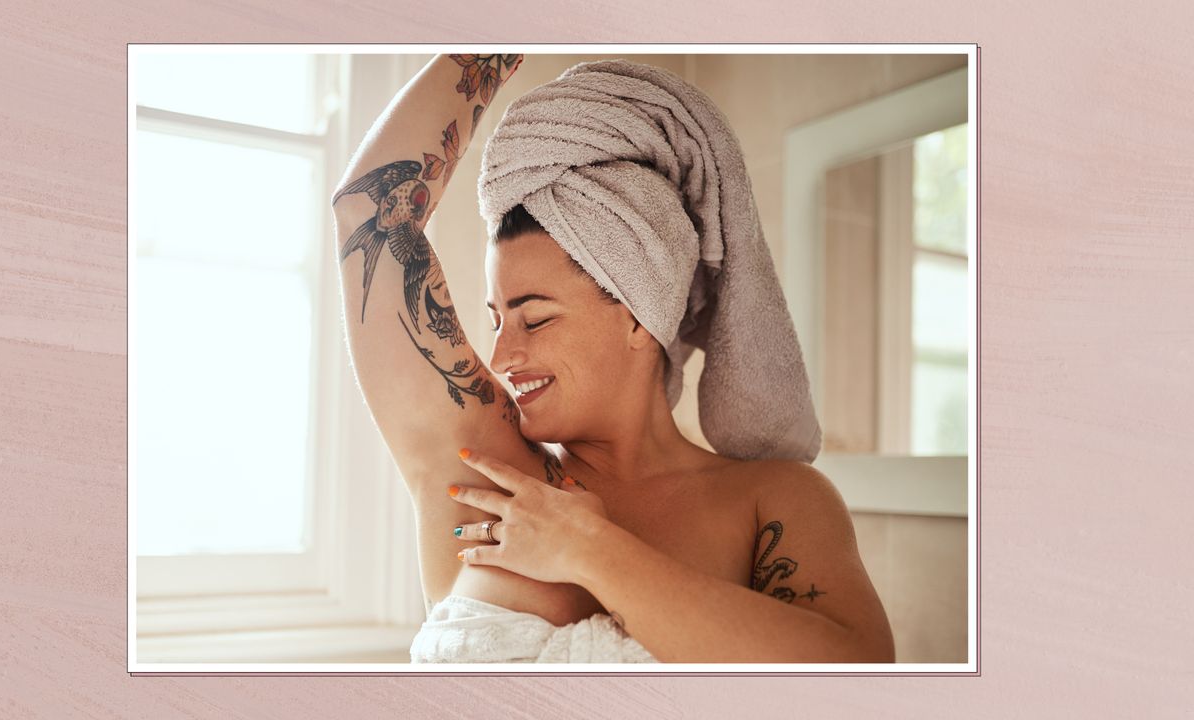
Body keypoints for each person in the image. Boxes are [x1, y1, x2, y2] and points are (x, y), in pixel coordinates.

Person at [329, 53, 894, 663]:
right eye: (496, 317)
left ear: (637, 317)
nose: (501, 353)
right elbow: (369, 214)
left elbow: (859, 672)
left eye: (535, 317)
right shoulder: (488, 469)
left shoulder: (775, 499)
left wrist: (589, 549)